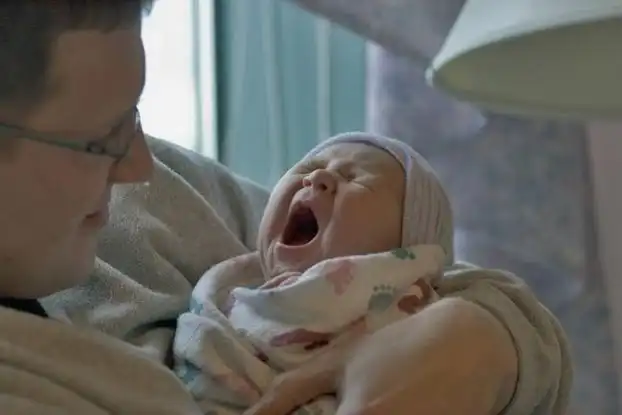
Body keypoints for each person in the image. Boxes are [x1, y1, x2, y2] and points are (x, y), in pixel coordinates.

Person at [0, 2, 571, 415]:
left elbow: (467, 287)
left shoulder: (167, 198)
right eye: (102, 138)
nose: (139, 167)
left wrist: (479, 338)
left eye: (134, 118)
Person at [173, 132, 451, 414]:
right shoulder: (223, 298)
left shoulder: (416, 314)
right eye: (308, 168)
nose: (317, 177)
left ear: (407, 247)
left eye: (353, 178)